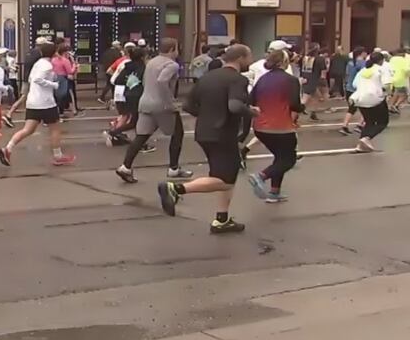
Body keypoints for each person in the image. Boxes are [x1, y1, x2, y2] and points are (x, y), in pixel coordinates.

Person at [157, 44, 257, 234]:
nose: (250, 62)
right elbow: (235, 106)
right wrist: (251, 111)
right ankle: (176, 189)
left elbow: (188, 105)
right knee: (225, 180)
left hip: (203, 132)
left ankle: (222, 218)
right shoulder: (237, 79)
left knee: (223, 175)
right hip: (223, 133)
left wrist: (207, 116)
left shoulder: (207, 78)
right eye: (249, 57)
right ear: (240, 58)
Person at [116, 38, 193, 183]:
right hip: (163, 105)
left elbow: (146, 82)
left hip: (145, 102)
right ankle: (174, 169)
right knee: (177, 134)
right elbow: (163, 81)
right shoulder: (172, 65)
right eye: (177, 48)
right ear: (172, 49)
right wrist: (170, 100)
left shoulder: (151, 62)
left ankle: (125, 167)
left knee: (142, 136)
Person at [0, 42, 75, 167]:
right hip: (45, 102)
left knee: (28, 130)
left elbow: (31, 79)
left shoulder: (38, 64)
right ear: (53, 52)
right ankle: (58, 156)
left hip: (33, 101)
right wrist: (53, 85)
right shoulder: (47, 66)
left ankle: (8, 148)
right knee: (55, 128)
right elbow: (37, 79)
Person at [247, 49, 304, 203]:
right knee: (289, 159)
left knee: (280, 157)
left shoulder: (263, 79)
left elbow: (251, 99)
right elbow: (294, 104)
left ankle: (274, 192)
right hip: (281, 126)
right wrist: (302, 108)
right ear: (283, 62)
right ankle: (261, 176)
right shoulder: (291, 80)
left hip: (260, 127)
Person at [350, 51, 391, 153]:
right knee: (382, 122)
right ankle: (366, 138)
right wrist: (387, 93)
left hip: (359, 98)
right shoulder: (381, 69)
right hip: (375, 98)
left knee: (369, 122)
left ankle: (361, 145)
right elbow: (387, 85)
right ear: (381, 60)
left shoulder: (363, 70)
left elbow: (354, 84)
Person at [104, 46, 145, 146]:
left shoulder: (127, 66)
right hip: (138, 95)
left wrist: (128, 82)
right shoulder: (142, 67)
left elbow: (118, 80)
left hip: (128, 93)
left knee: (132, 118)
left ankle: (117, 133)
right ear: (142, 57)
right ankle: (114, 133)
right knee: (135, 121)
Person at [339, 47, 367, 135]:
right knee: (367, 107)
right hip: (358, 89)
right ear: (362, 53)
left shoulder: (350, 63)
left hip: (348, 88)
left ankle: (345, 126)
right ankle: (359, 125)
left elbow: (347, 74)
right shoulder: (362, 63)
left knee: (352, 109)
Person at [300, 43, 324, 121]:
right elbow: (323, 72)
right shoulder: (320, 59)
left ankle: (313, 113)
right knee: (305, 99)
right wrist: (323, 82)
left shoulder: (304, 58)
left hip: (305, 78)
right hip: (313, 80)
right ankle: (296, 111)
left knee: (318, 97)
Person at [388, 48, 409, 113]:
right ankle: (393, 105)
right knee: (404, 94)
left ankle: (393, 105)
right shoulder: (403, 60)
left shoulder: (392, 59)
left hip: (392, 77)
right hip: (400, 79)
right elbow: (407, 69)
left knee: (396, 93)